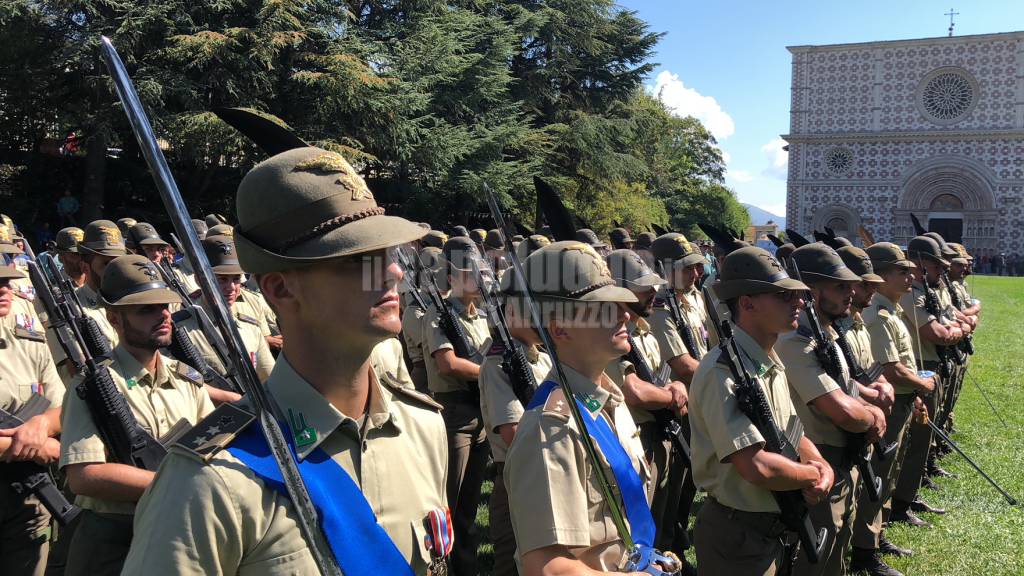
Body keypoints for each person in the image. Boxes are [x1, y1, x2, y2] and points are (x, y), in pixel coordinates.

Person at [122, 146, 449, 574]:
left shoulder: (422, 428)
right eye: (358, 260)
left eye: (388, 254)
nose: (393, 273)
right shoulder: (212, 480)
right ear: (279, 289)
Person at [59, 255, 216, 576]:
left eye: (164, 307)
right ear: (114, 319)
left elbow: (214, 451)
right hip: (114, 538)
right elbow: (83, 475)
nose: (162, 316)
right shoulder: (92, 386)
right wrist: (174, 481)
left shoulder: (188, 380)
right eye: (146, 309)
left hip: (177, 531)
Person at [504, 240, 653, 574]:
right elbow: (548, 566)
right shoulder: (551, 427)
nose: (625, 315)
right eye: (603, 308)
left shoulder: (609, 402)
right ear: (560, 329)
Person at [689, 246, 834, 575]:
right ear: (747, 303)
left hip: (774, 526)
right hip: (737, 534)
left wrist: (820, 464)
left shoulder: (767, 360)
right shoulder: (721, 371)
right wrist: (813, 474)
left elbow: (794, 432)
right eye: (783, 295)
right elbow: (756, 468)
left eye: (796, 294)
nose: (798, 302)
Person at [776, 244, 887, 576]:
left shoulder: (828, 335)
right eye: (840, 286)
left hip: (842, 455)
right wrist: (873, 414)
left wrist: (865, 405)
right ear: (812, 290)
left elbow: (847, 387)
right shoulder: (796, 341)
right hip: (819, 457)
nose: (851, 292)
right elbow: (839, 410)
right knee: (814, 558)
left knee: (837, 542)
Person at [604, 248, 692, 570]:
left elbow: (662, 379)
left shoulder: (645, 330)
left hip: (663, 432)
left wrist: (675, 388)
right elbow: (634, 391)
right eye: (644, 287)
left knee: (665, 522)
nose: (653, 291)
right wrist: (672, 395)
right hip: (640, 439)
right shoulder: (613, 335)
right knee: (642, 527)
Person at [423, 236, 492, 576]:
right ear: (450, 277)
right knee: (450, 503)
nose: (477, 278)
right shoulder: (438, 314)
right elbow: (448, 364)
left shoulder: (480, 316)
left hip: (480, 412)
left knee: (470, 502)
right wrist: (492, 374)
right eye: (469, 272)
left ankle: (466, 566)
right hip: (455, 417)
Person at [477, 278, 552, 576]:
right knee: (512, 564)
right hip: (517, 482)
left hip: (549, 474)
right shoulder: (497, 364)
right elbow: (512, 434)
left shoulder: (543, 358)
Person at [891, 236, 963, 526]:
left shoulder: (929, 290)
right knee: (913, 442)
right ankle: (900, 503)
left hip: (931, 366)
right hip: (920, 369)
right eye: (936, 265)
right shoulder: (910, 295)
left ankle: (909, 492)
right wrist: (955, 330)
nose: (941, 272)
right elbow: (935, 332)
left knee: (922, 439)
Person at [0, 262, 65, 576]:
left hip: (27, 498)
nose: (4, 289)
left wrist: (41, 426)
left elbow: (63, 406)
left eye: (7, 280)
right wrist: (36, 446)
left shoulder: (27, 335)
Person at [169, 235, 273, 402]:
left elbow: (268, 375)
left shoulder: (250, 326)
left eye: (236, 279)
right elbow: (177, 374)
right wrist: (226, 396)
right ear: (199, 280)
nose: (231, 287)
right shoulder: (180, 328)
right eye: (221, 279)